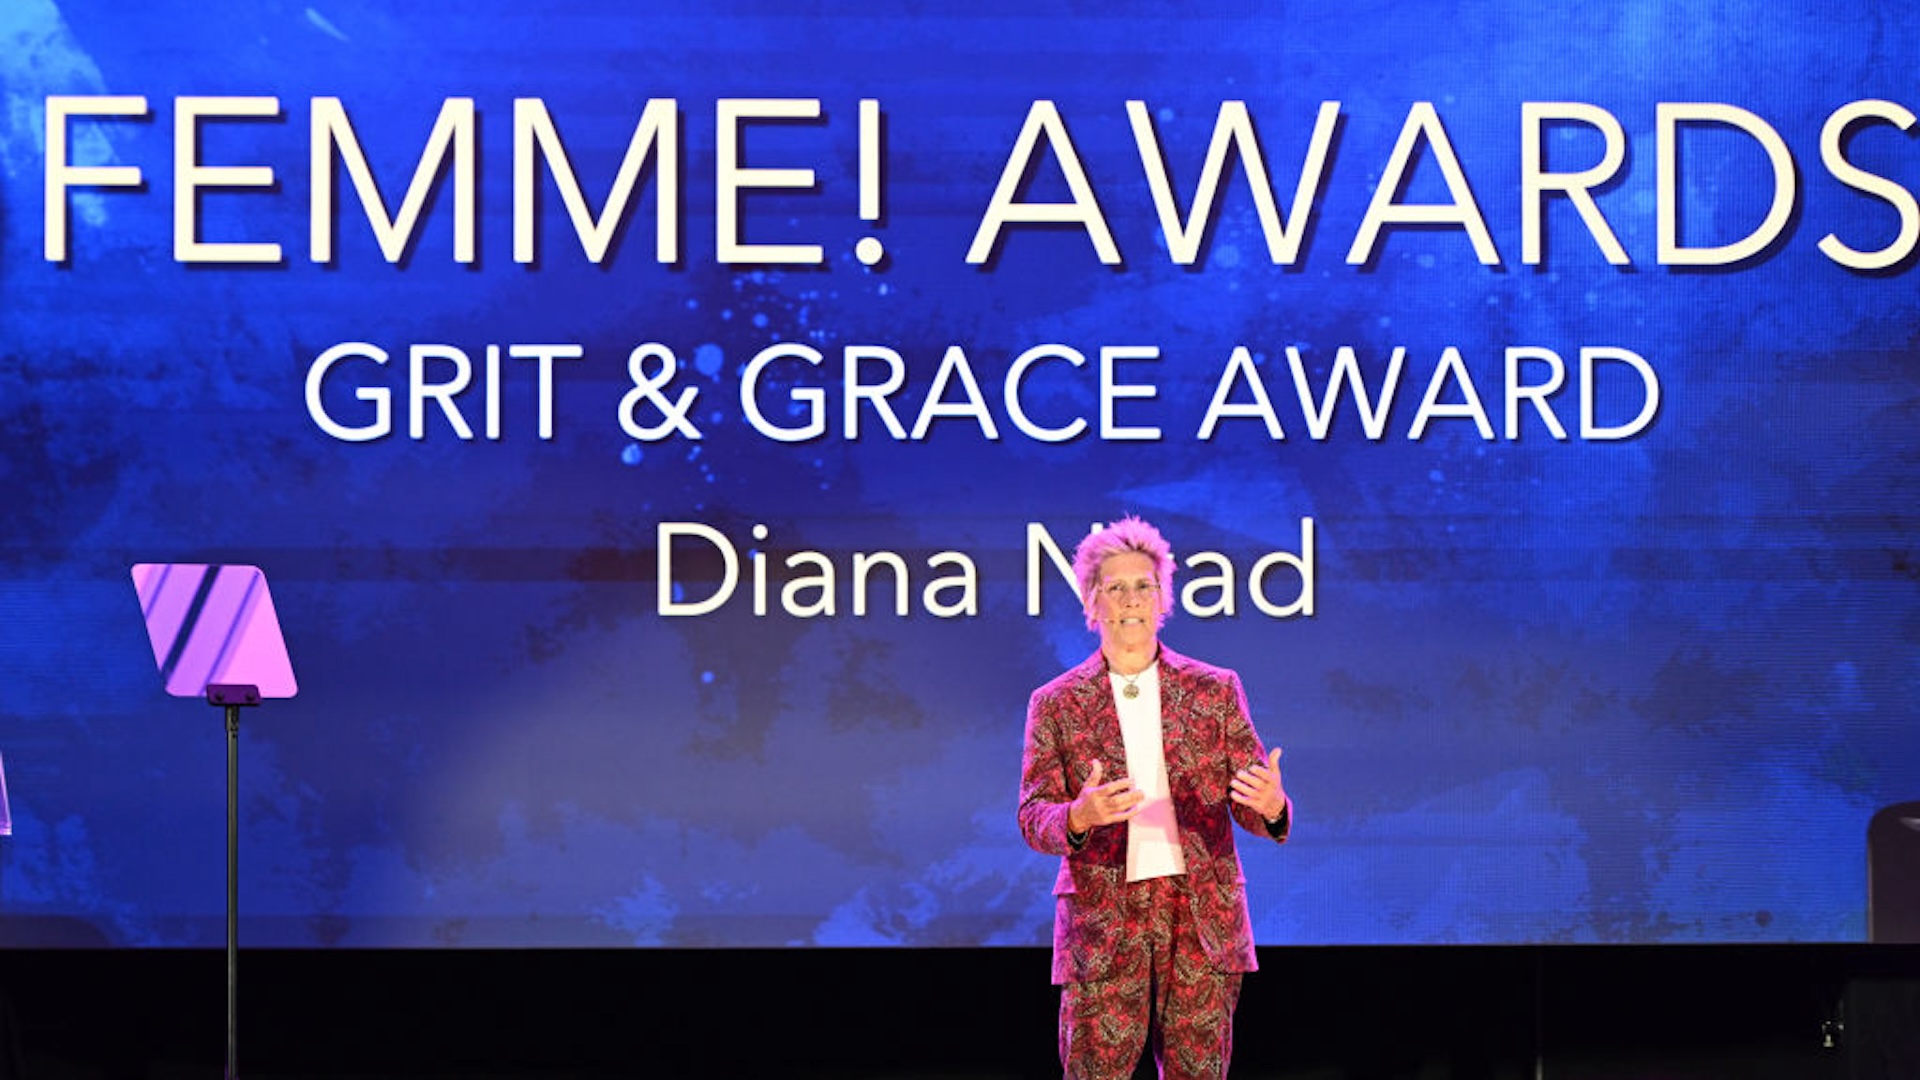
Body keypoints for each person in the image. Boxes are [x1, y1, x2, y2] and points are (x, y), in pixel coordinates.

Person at [1018, 515, 1291, 1080]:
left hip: (1200, 916)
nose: (1130, 599)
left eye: (1143, 585)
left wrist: (1269, 807)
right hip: (1102, 920)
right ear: (1092, 601)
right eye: (1114, 587)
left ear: (1163, 596)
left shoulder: (1214, 689)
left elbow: (1248, 796)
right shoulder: (1056, 703)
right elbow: (1032, 815)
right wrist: (1077, 815)